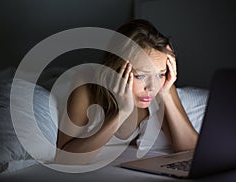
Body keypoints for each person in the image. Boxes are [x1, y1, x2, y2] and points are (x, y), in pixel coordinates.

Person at [54, 19, 198, 165]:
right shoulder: (85, 84)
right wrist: (122, 112)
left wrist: (166, 94)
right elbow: (64, 158)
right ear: (116, 69)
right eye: (140, 75)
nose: (152, 87)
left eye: (160, 74)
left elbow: (191, 150)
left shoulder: (161, 85)